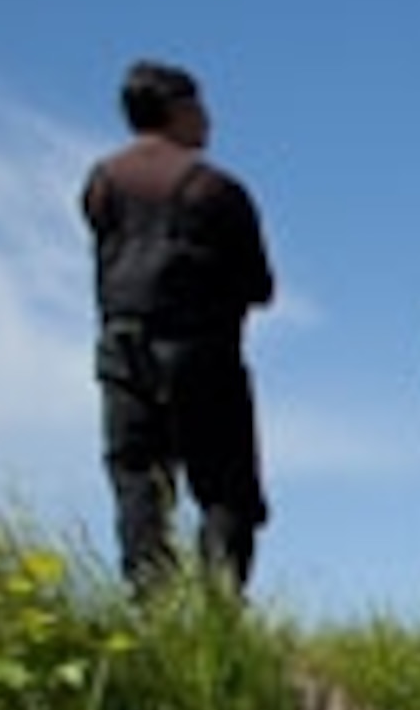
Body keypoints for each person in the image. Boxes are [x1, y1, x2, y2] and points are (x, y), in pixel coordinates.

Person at [80, 60, 277, 593]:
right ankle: (219, 607)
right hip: (202, 350)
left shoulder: (102, 183)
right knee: (225, 485)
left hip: (121, 346)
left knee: (137, 477)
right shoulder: (215, 189)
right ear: (178, 109)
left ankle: (150, 603)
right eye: (200, 106)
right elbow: (260, 284)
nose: (208, 119)